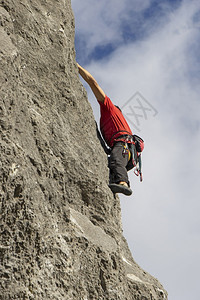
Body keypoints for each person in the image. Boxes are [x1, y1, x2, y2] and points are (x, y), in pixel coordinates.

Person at [77, 63, 135, 196]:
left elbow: (93, 83)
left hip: (123, 145)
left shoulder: (109, 109)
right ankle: (117, 181)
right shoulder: (107, 121)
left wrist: (77, 67)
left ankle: (123, 183)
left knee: (115, 159)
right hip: (124, 150)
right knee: (113, 162)